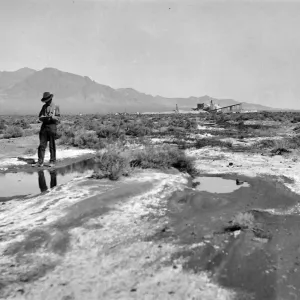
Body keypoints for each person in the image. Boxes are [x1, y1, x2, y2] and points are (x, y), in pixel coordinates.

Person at [32, 92, 60, 167]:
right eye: (45, 100)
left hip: (52, 126)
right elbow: (40, 116)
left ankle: (52, 161)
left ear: (50, 99)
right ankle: (40, 162)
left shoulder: (56, 107)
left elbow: (58, 118)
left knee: (52, 145)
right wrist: (40, 118)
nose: (46, 101)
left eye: (47, 100)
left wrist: (54, 118)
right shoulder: (44, 107)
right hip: (44, 126)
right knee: (42, 145)